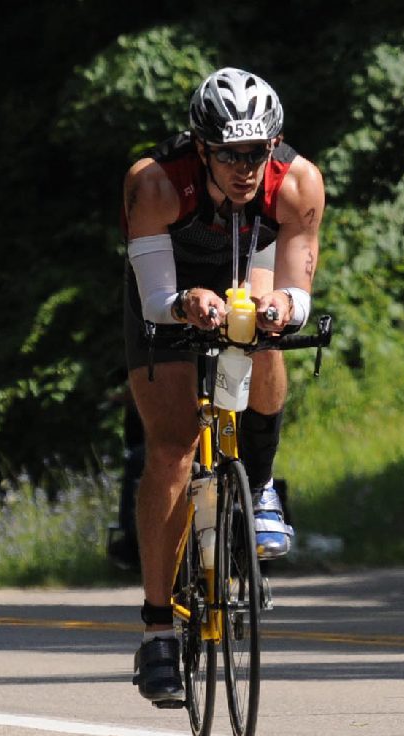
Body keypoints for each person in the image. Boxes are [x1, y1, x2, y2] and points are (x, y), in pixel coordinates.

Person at [122, 67, 325, 703]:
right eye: (229, 155)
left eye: (256, 152)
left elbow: (295, 290)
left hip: (249, 260)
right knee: (173, 446)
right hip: (171, 284)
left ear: (275, 143)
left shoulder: (297, 182)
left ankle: (259, 486)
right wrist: (186, 302)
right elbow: (155, 297)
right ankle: (158, 630)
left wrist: (280, 312)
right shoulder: (154, 181)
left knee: (261, 338)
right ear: (201, 147)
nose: (244, 168)